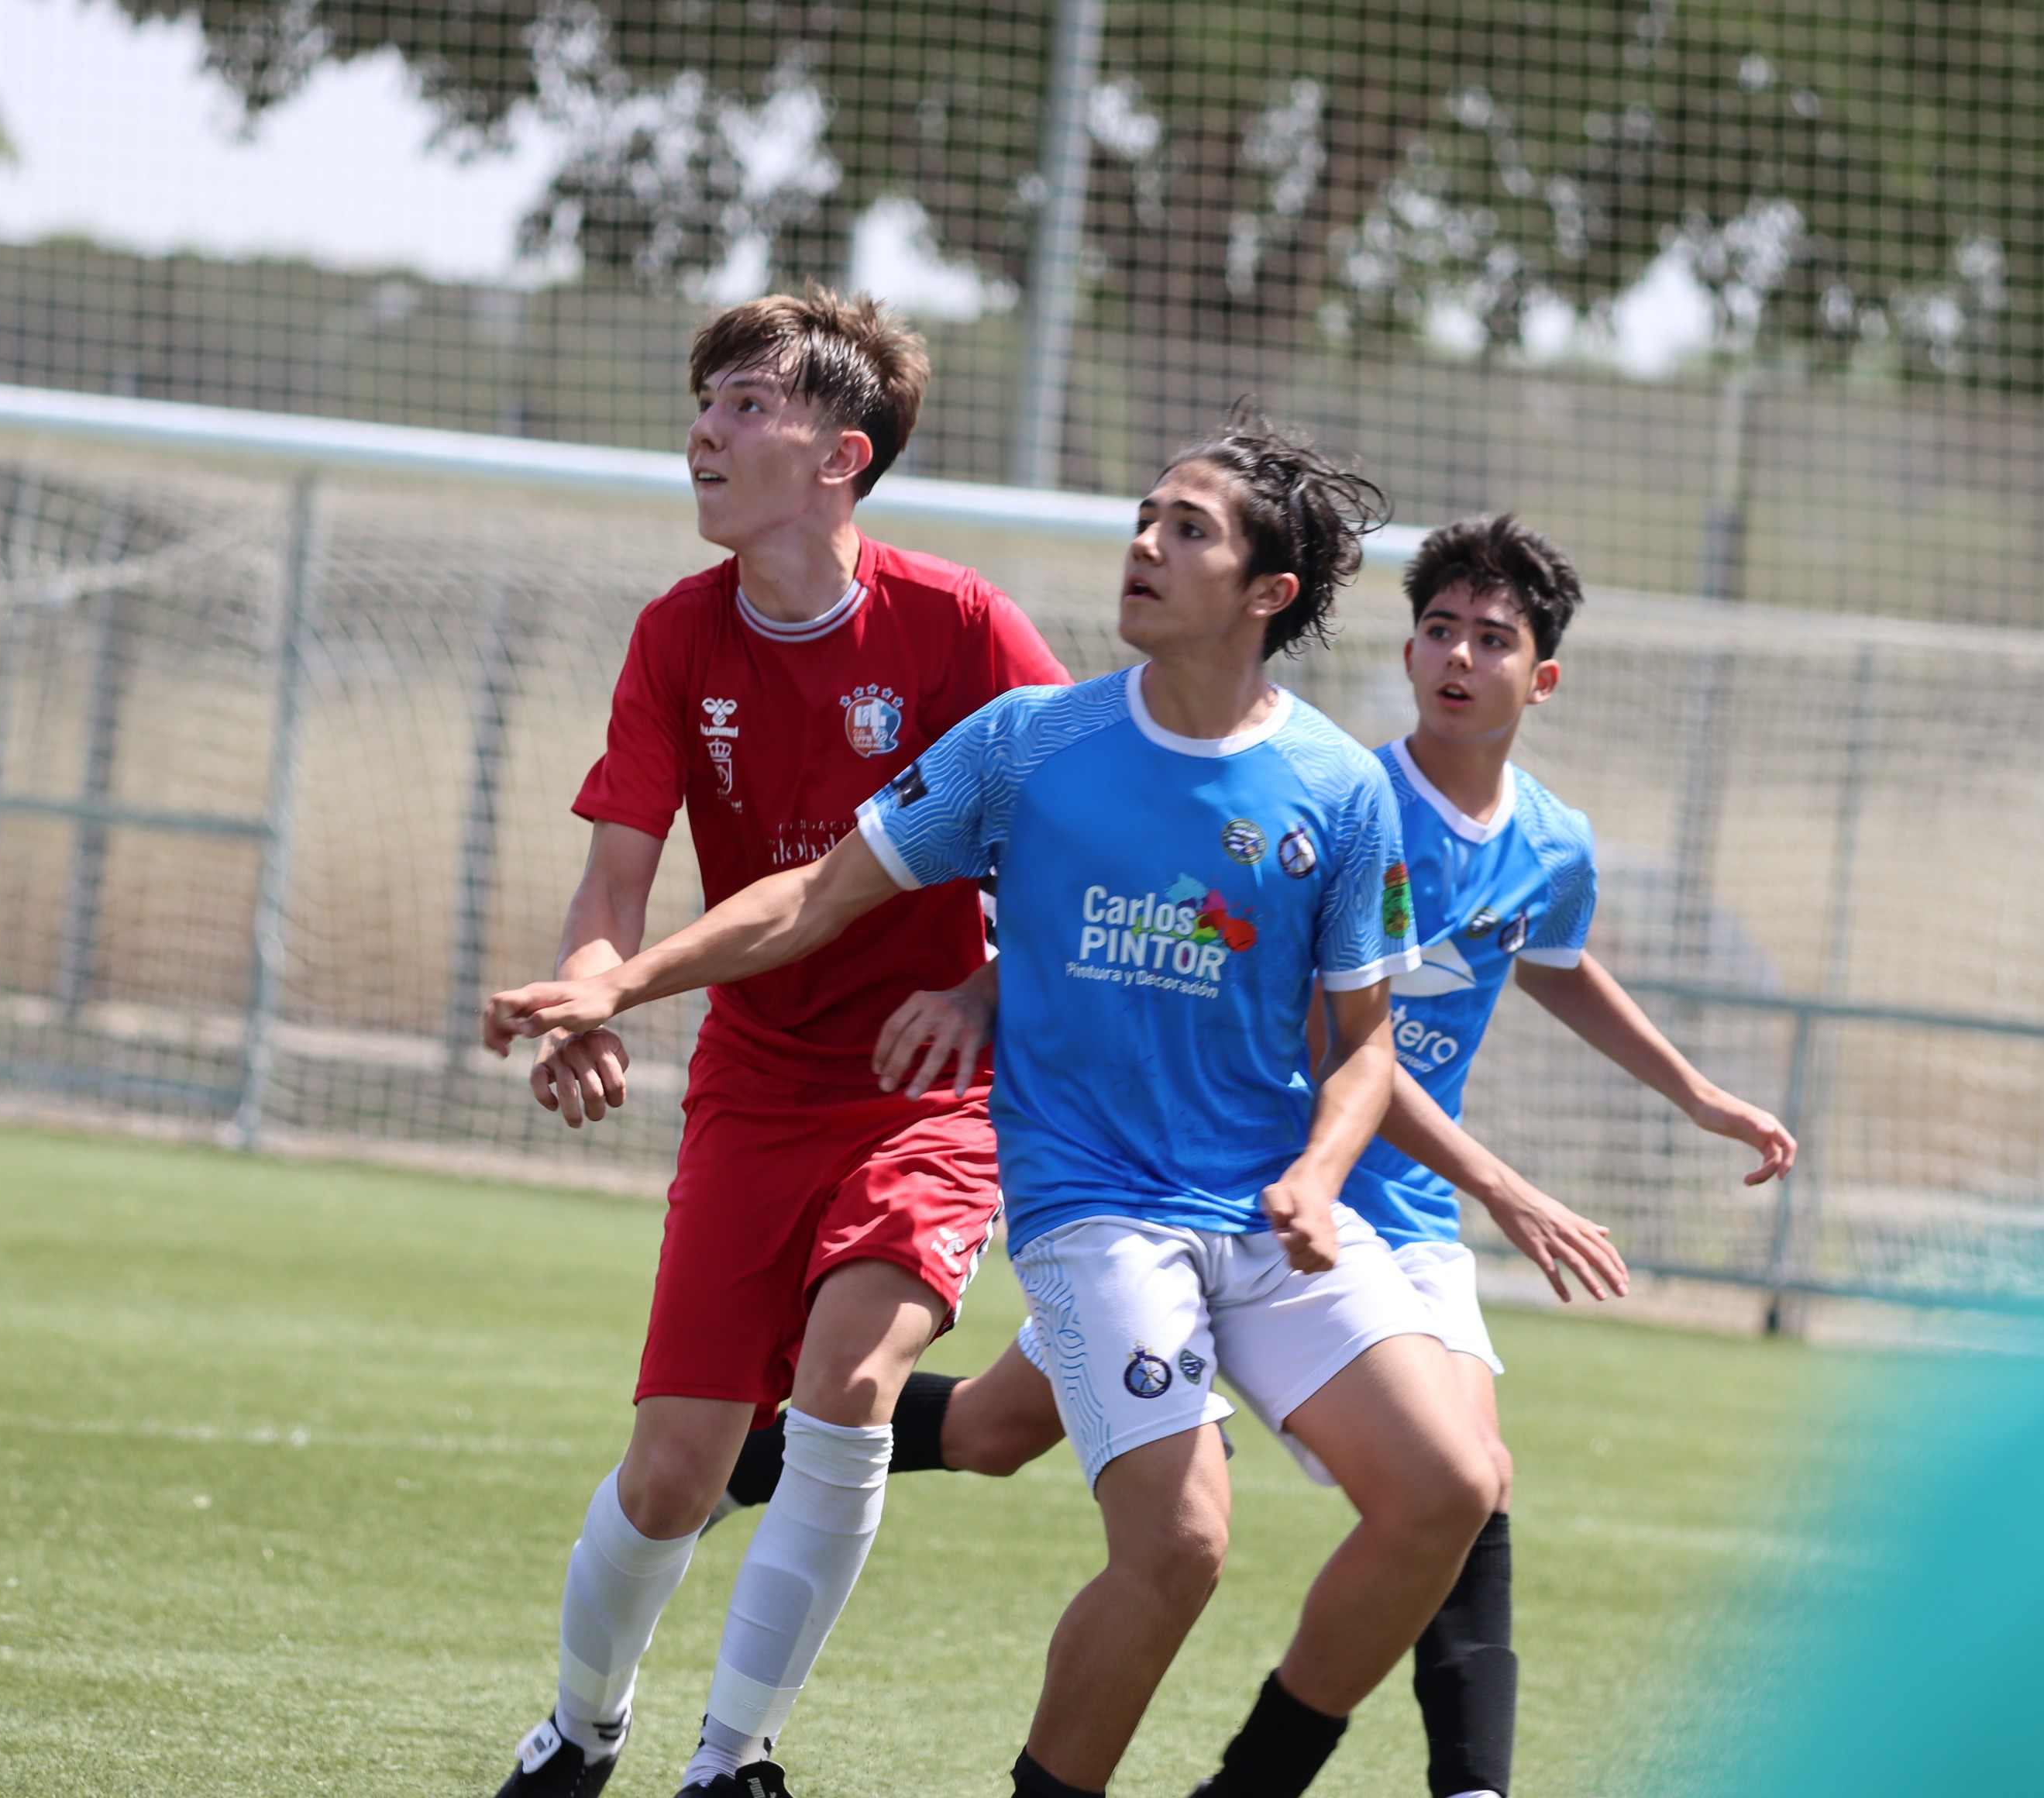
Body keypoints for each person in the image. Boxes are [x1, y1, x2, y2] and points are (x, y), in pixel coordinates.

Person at [487, 412, 1509, 1798]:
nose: (1144, 544)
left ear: (1269, 593)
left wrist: (1321, 1176)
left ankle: (1252, 1781)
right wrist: (620, 982)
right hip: (1098, 1213)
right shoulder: (1030, 745)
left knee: (1452, 1486)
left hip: (1265, 1209)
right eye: (1146, 515)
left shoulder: (1339, 788)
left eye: (1188, 530)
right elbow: (814, 897)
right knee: (1181, 1544)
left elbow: (1365, 1048)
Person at [711, 512, 1799, 1798]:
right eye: (1438, 630)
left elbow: (1548, 960)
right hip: (1238, 1184)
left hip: (1368, 1215)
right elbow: (1282, 1008)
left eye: (1491, 639)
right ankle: (753, 1455)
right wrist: (1505, 1187)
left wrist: (1697, 1093)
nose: (1458, 657)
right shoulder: (1335, 790)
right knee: (1037, 1449)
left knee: (1458, 1481)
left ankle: (1403, 1782)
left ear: (1541, 676)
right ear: (1405, 649)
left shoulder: (1550, 841)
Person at [486, 287, 1069, 1798]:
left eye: (748, 405)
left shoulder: (961, 628)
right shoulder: (676, 635)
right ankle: (579, 1729)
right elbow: (614, 883)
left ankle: (732, 1759)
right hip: (751, 1083)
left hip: (929, 1087)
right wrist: (587, 991)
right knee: (673, 1474)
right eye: (706, 402)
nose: (706, 430)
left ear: (840, 456)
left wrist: (991, 992)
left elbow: (1100, 833)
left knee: (851, 1384)